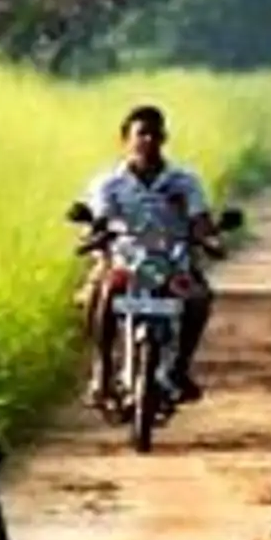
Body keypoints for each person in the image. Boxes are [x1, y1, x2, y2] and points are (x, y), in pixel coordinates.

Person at [72, 104, 227, 407]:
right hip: (125, 262)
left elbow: (200, 220)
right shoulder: (108, 183)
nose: (148, 141)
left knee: (198, 298)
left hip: (172, 263)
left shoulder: (184, 181)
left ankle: (180, 369)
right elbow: (99, 219)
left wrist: (210, 238)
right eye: (141, 134)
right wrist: (94, 234)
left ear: (164, 138)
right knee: (103, 292)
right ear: (125, 139)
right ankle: (102, 370)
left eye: (155, 134)